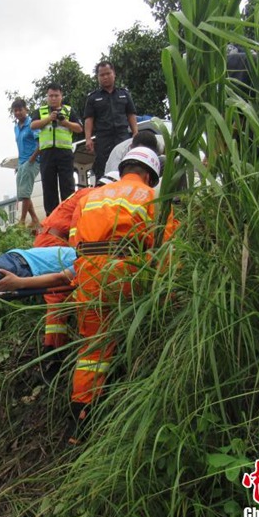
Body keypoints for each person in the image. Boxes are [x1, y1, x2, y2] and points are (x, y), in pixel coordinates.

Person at [67, 149, 179, 444]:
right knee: (141, 332)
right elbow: (168, 250)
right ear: (149, 175)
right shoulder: (152, 197)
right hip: (126, 272)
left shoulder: (91, 196)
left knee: (92, 351)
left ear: (123, 168)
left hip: (88, 275)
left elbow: (73, 241)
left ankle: (79, 426)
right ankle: (133, 404)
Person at [33, 174, 119, 371]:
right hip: (55, 242)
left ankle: (54, 350)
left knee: (58, 296)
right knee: (58, 295)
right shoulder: (92, 196)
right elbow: (76, 232)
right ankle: (52, 352)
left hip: (49, 239)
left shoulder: (84, 194)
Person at [31, 84, 84, 216]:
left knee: (68, 187)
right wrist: (49, 118)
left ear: (61, 96)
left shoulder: (69, 111)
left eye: (56, 95)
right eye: (51, 96)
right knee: (49, 188)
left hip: (64, 153)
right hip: (47, 154)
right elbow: (33, 125)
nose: (53, 98)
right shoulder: (41, 111)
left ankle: (70, 217)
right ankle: (52, 219)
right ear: (47, 97)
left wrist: (65, 122)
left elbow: (79, 128)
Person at [84, 61, 139, 179]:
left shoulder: (124, 94)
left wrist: (135, 132)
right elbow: (89, 119)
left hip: (122, 135)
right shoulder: (93, 97)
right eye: (101, 75)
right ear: (98, 77)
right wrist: (88, 138)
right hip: (103, 138)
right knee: (103, 168)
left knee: (127, 165)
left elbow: (131, 114)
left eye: (108, 73)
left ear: (114, 74)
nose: (105, 77)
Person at [11, 98, 41, 227]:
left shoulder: (32, 124)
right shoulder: (16, 128)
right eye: (15, 111)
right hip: (22, 162)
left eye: (20, 110)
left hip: (32, 160)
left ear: (26, 109)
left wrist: (32, 158)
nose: (18, 113)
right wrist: (19, 164)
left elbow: (41, 143)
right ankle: (34, 219)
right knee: (22, 193)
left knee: (25, 193)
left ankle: (22, 221)